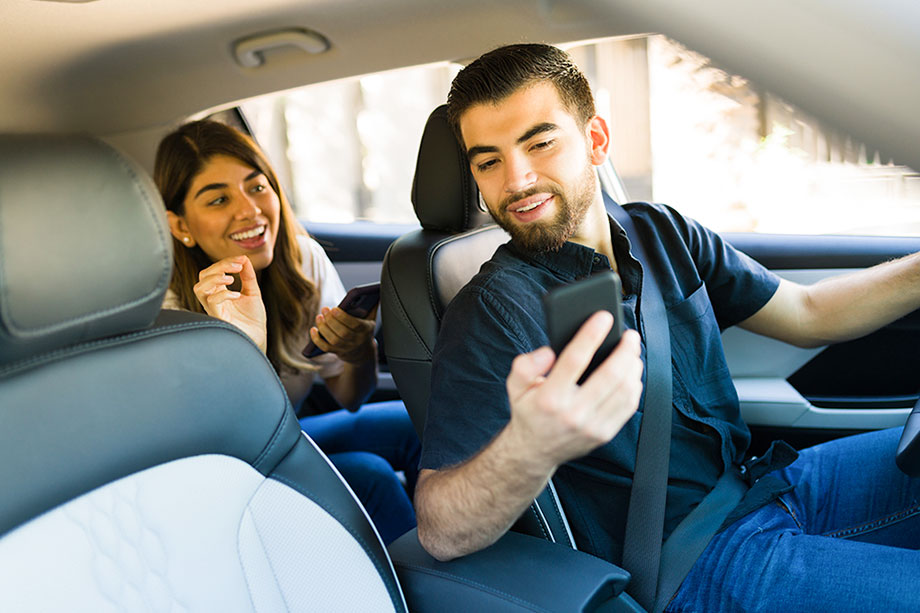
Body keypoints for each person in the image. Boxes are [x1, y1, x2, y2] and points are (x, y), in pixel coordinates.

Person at [414, 43, 920, 611]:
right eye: (489, 161)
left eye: (540, 142)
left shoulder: (663, 232)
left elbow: (808, 314)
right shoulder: (491, 312)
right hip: (694, 564)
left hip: (763, 485)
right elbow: (440, 528)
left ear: (596, 139)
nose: (518, 179)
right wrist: (532, 445)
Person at [154, 119, 419, 545]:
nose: (250, 209)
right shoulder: (168, 310)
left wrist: (356, 351)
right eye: (219, 199)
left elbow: (352, 398)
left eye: (257, 187)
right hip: (224, 471)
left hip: (286, 437)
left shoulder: (301, 261)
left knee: (418, 421)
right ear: (181, 225)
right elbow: (223, 449)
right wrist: (244, 347)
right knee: (370, 475)